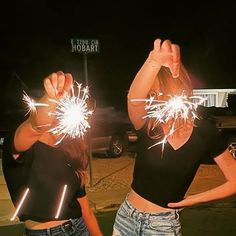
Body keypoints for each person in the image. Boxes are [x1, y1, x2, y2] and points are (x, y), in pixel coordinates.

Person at [112, 39, 236, 236]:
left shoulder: (205, 132)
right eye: (151, 94)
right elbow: (133, 99)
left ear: (177, 89)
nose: (153, 100)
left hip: (162, 227)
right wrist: (153, 61)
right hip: (126, 217)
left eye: (157, 92)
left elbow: (234, 180)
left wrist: (192, 200)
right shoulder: (149, 123)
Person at [2, 71, 103, 236]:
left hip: (79, 227)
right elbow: (35, 125)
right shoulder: (23, 142)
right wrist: (51, 98)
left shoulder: (71, 148)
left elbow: (85, 208)